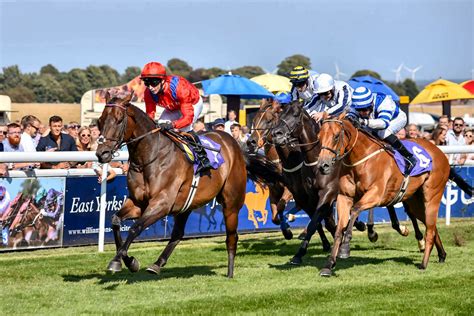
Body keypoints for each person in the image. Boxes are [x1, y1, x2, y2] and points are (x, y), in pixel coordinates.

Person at [140, 61, 211, 173]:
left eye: (153, 82)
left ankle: (203, 158)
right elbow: (150, 114)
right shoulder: (148, 93)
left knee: (185, 128)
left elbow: (187, 119)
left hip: (193, 103)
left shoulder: (179, 87)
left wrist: (172, 125)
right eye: (146, 83)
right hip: (172, 107)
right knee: (159, 127)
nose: (150, 87)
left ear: (163, 80)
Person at [348, 86, 417, 176]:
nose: (361, 112)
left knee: (383, 133)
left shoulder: (384, 102)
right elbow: (349, 117)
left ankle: (409, 158)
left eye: (365, 109)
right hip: (374, 120)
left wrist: (363, 121)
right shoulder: (357, 103)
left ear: (371, 103)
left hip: (395, 119)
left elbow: (383, 123)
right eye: (359, 110)